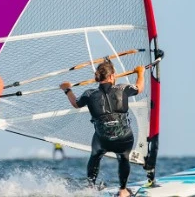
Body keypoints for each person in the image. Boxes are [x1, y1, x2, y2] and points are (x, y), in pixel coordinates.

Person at [61, 60, 145, 197]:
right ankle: (123, 190)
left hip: (103, 139)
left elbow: (76, 103)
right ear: (112, 76)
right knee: (123, 157)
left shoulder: (88, 94)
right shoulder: (123, 89)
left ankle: (90, 188)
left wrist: (67, 89)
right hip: (124, 138)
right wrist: (140, 72)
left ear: (97, 78)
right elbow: (139, 88)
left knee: (95, 156)